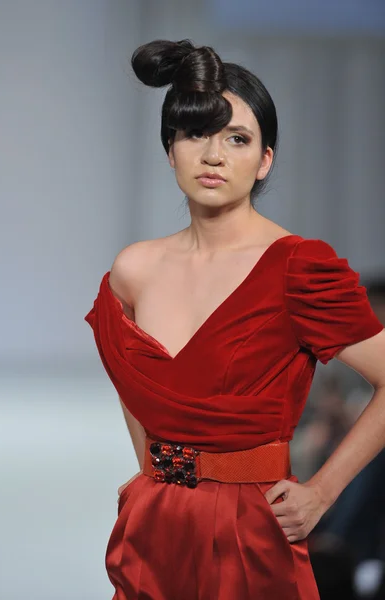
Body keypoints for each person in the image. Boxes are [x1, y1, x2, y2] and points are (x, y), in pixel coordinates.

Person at [84, 39, 385, 600]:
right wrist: (155, 475)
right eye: (195, 134)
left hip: (253, 526)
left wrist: (322, 492)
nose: (214, 155)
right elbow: (136, 385)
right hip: (153, 524)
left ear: (265, 158)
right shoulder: (134, 269)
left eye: (237, 138)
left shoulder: (299, 267)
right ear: (170, 150)